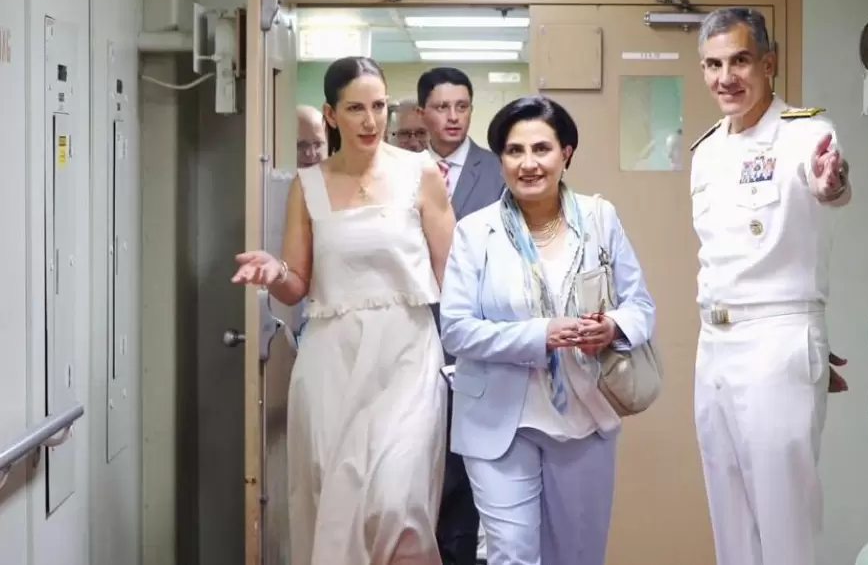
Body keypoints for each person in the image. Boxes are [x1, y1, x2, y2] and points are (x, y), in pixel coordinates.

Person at [231, 56, 454, 565]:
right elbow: (297, 285)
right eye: (356, 109)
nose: (371, 121)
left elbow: (453, 275)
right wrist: (274, 271)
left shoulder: (420, 173)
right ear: (331, 115)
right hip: (332, 357)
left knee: (398, 504)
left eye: (379, 106)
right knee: (335, 503)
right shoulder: (308, 184)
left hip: (406, 353)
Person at [438, 95, 656, 565]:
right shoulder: (475, 232)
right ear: (500, 160)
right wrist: (541, 335)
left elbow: (640, 307)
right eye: (514, 151)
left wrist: (612, 327)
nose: (528, 163)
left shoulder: (599, 219)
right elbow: (455, 330)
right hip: (497, 419)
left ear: (566, 153)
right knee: (511, 555)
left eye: (542, 149)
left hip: (583, 416)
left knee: (577, 556)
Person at [689, 7, 852, 565]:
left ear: (768, 63)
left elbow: (828, 183)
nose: (725, 78)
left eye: (739, 61)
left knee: (784, 525)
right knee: (730, 522)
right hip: (714, 342)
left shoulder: (805, 133)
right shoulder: (707, 151)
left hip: (776, 340)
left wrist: (830, 184)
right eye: (713, 65)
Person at [416, 66, 504, 565]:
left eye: (462, 106)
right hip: (413, 334)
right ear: (422, 112)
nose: (453, 117)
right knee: (417, 463)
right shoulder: (402, 171)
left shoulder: (498, 171)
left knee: (466, 468)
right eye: (442, 107)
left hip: (476, 336)